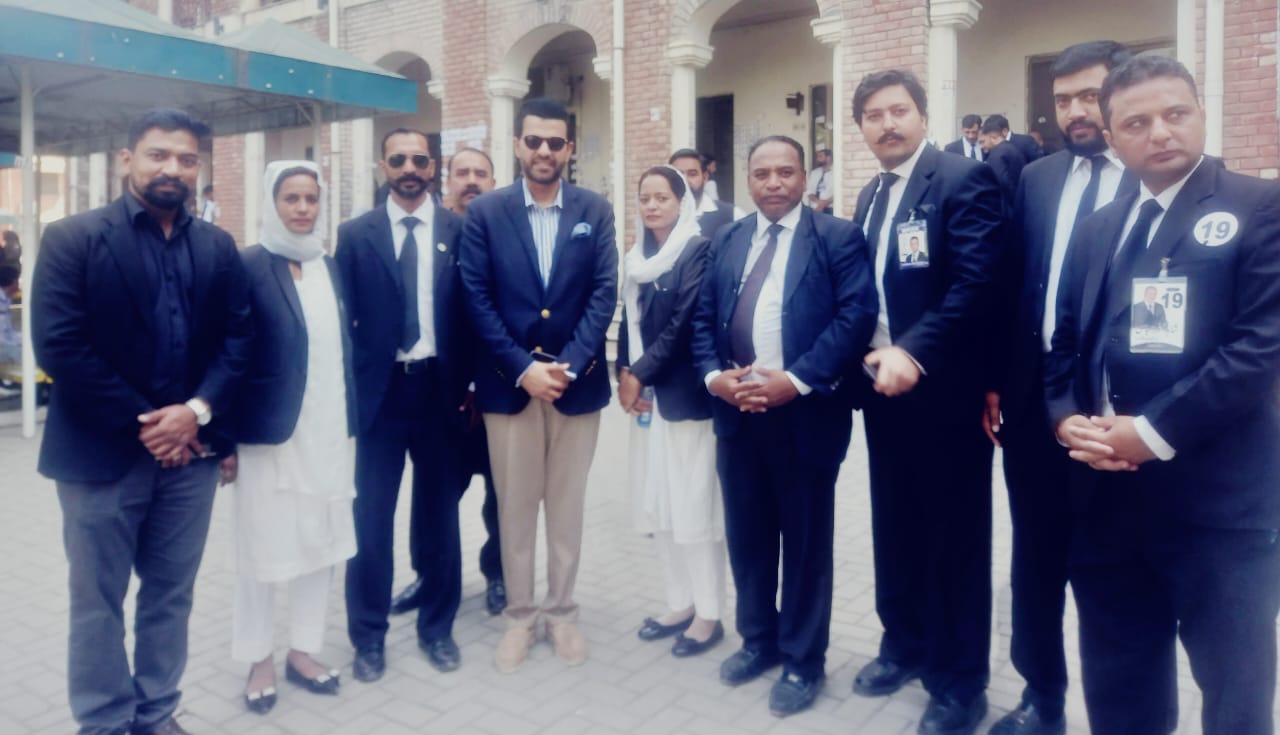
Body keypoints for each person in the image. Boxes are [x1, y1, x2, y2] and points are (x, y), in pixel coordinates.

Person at [1044, 54, 1280, 735]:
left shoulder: (1257, 206)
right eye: (1137, 122)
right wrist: (1065, 420)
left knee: (1235, 692)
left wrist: (1150, 433)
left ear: (1201, 113)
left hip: (1219, 507)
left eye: (1176, 114)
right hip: (1108, 498)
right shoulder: (1099, 227)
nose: (1160, 132)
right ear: (1112, 138)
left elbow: (1260, 347)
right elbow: (1064, 343)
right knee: (1120, 680)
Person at [31, 108, 252, 735]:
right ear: (127, 159)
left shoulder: (218, 246)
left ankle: (155, 714)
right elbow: (60, 346)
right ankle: (104, 721)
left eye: (186, 159)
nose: (172, 168)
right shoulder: (72, 238)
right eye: (158, 155)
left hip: (190, 461)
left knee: (170, 596)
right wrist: (152, 425)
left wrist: (196, 414)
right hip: (99, 459)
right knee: (96, 602)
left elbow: (238, 340)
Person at [692, 135, 877, 717]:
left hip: (805, 415)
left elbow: (855, 317)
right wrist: (714, 378)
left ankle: (803, 660)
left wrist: (795, 381)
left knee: (803, 545)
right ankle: (758, 641)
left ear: (804, 177)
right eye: (762, 173)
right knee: (748, 539)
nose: (773, 182)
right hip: (737, 413)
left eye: (785, 172)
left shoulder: (837, 237)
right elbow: (702, 317)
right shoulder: (728, 238)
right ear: (748, 180)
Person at [984, 39, 1135, 735]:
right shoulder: (1038, 178)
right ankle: (1040, 695)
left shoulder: (1151, 178)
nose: (1076, 111)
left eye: (1090, 96)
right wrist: (996, 382)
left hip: (1117, 416)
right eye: (1064, 98)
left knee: (1114, 570)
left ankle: (1118, 711)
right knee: (1035, 561)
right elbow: (1015, 286)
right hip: (1033, 407)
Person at [848, 69, 1003, 735]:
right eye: (874, 115)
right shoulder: (871, 193)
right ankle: (904, 644)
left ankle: (960, 682)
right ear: (861, 127)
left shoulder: (963, 180)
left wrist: (914, 351)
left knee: (954, 539)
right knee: (896, 523)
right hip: (882, 389)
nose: (887, 123)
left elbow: (977, 283)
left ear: (922, 115)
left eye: (899, 110)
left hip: (943, 391)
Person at [459, 97, 617, 673]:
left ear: (569, 148)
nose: (544, 151)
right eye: (534, 141)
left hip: (577, 386)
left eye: (555, 142)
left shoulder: (595, 210)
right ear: (517, 145)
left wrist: (567, 367)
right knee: (516, 507)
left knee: (567, 507)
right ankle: (521, 616)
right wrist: (523, 368)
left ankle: (562, 612)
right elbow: (476, 297)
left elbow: (604, 293)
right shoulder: (486, 213)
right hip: (510, 387)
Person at [336, 127, 472, 681]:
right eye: (398, 160)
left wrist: (470, 388)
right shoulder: (354, 235)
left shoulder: (461, 231)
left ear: (433, 166)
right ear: (383, 167)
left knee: (440, 518)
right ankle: (368, 637)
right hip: (382, 395)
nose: (409, 168)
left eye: (419, 159)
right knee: (371, 520)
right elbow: (343, 322)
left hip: (441, 390)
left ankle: (437, 629)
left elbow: (473, 313)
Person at [228, 161, 356, 715]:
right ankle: (258, 657)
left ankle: (303, 650)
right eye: (291, 198)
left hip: (328, 431)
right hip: (268, 436)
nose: (303, 208)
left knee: (320, 544)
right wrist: (223, 440)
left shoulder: (330, 266)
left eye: (311, 198)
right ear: (272, 202)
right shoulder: (248, 266)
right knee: (261, 547)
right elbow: (229, 353)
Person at [391, 145, 507, 619]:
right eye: (463, 172)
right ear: (447, 180)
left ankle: (500, 575)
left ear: (494, 182)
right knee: (432, 496)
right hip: (442, 398)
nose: (471, 180)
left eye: (481, 173)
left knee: (503, 494)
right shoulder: (429, 233)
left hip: (497, 395)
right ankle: (428, 575)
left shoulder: (506, 237)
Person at [617, 166, 724, 659]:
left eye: (663, 197)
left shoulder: (696, 249)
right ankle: (679, 604)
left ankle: (709, 614)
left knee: (694, 507)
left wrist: (639, 372)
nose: (653, 205)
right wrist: (625, 372)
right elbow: (629, 322)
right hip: (648, 404)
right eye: (645, 198)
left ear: (682, 203)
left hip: (684, 400)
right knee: (659, 507)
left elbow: (684, 322)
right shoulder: (637, 259)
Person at [669, 148, 740, 239]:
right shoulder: (659, 216)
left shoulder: (732, 215)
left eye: (692, 174)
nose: (685, 180)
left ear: (705, 177)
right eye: (679, 174)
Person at [979, 114, 1028, 207]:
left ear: (993, 137)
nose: (981, 146)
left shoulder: (996, 154)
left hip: (1006, 206)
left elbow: (1001, 183)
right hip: (1020, 202)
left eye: (983, 141)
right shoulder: (1013, 148)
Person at [804, 147, 834, 214]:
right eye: (817, 157)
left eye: (820, 156)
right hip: (815, 207)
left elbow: (838, 193)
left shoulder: (836, 173)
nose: (817, 159)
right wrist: (818, 202)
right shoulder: (815, 173)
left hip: (830, 208)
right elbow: (809, 191)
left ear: (828, 158)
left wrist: (824, 204)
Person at [0, 265, 20, 364]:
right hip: (3, 346)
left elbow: (9, 332)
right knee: (23, 355)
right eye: (17, 281)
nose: (18, 285)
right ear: (12, 282)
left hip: (6, 343)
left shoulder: (6, 299)